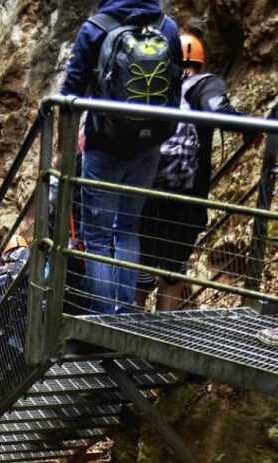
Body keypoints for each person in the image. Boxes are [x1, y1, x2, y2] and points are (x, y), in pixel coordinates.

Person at [59, 0, 182, 313]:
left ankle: (102, 317)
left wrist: (63, 150)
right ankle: (125, 310)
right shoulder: (167, 27)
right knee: (128, 228)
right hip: (148, 146)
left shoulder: (95, 28)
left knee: (97, 235)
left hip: (104, 144)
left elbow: (70, 91)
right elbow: (175, 90)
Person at [138, 33, 252, 310]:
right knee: (173, 271)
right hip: (187, 195)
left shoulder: (154, 84)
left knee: (140, 269)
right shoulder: (205, 84)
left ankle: (124, 333)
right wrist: (252, 128)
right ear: (200, 63)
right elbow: (219, 109)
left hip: (146, 189)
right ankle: (160, 337)